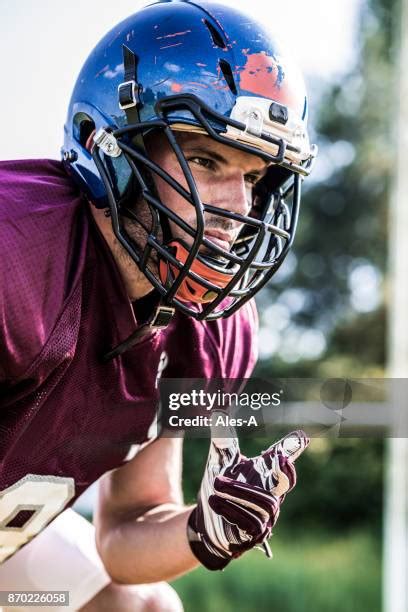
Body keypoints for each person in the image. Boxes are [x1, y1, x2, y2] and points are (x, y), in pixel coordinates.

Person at [0, 0, 316, 610]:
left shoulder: (211, 327)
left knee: (145, 605)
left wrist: (204, 529)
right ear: (106, 146)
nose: (237, 207)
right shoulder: (18, 255)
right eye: (204, 161)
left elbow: (126, 529)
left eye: (253, 177)